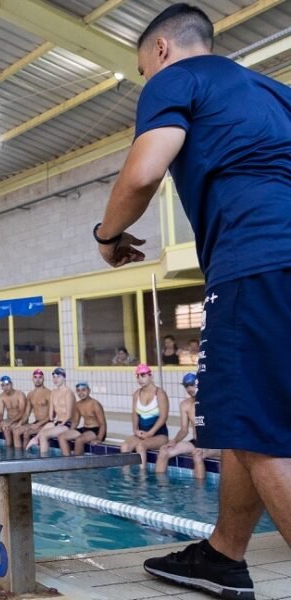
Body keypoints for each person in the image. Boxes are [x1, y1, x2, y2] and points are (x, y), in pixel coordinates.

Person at [95, 4, 290, 597]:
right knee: (250, 420)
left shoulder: (177, 78)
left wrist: (106, 238)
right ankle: (223, 554)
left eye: (141, 68)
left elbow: (143, 173)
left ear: (159, 51)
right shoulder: (274, 92)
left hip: (256, 263)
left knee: (258, 432)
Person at [155, 373, 219, 479]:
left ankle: (200, 492)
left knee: (197, 455)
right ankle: (160, 490)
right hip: (196, 442)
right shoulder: (185, 405)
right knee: (163, 451)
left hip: (213, 444)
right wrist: (174, 441)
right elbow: (184, 430)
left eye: (192, 385)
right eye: (186, 386)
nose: (189, 388)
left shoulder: (211, 403)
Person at [120, 364, 170, 468]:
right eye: (137, 376)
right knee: (125, 446)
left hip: (159, 435)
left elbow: (163, 417)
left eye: (143, 375)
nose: (140, 379)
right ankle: (126, 479)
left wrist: (150, 433)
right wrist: (135, 430)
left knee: (141, 446)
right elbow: (135, 414)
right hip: (142, 434)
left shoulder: (160, 394)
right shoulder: (136, 394)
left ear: (151, 376)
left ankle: (143, 480)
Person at [26, 368, 77, 454]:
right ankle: (35, 440)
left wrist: (60, 424)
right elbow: (51, 412)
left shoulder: (68, 392)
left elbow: (69, 414)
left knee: (44, 435)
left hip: (67, 423)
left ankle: (45, 461)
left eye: (58, 377)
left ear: (64, 378)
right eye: (54, 377)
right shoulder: (53, 392)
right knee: (41, 433)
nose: (55, 379)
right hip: (58, 422)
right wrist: (52, 421)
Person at [57, 383, 107, 456]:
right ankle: (67, 461)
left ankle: (78, 464)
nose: (81, 393)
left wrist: (99, 438)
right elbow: (76, 421)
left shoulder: (95, 404)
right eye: (78, 391)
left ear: (89, 390)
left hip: (96, 430)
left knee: (79, 440)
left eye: (83, 390)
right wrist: (69, 431)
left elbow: (103, 423)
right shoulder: (78, 404)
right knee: (61, 436)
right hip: (85, 429)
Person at [12, 369, 51, 449]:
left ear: (43, 379)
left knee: (27, 433)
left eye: (40, 377)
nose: (37, 380)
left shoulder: (48, 393)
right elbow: (27, 413)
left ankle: (26, 456)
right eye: (35, 377)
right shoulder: (30, 395)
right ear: (32, 379)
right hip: (36, 422)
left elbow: (52, 415)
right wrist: (20, 423)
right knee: (16, 431)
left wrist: (38, 424)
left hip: (47, 423)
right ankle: (19, 456)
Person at [0, 375, 28, 449]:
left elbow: (22, 412)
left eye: (7, 385)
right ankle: (9, 452)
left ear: (11, 384)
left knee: (13, 429)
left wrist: (10, 422)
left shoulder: (20, 394)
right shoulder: (1, 397)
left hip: (20, 421)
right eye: (3, 385)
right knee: (5, 428)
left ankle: (18, 453)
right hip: (10, 420)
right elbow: (0, 412)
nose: (5, 387)